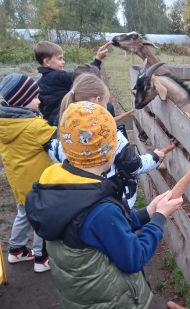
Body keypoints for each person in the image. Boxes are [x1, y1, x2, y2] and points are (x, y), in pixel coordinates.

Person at [25, 101, 182, 309]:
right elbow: (133, 257)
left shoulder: (59, 185)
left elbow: (102, 231)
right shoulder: (100, 208)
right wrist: (160, 220)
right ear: (110, 150)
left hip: (85, 306)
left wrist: (147, 212)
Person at [46, 73, 164, 208]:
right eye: (107, 102)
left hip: (79, 201)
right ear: (98, 100)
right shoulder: (111, 135)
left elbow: (52, 149)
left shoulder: (65, 132)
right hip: (114, 201)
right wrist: (155, 157)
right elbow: (133, 164)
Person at [0, 73, 56, 272]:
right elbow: (58, 138)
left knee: (23, 213)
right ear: (21, 102)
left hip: (19, 182)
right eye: (34, 98)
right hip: (38, 184)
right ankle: (41, 259)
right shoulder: (34, 126)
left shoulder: (5, 124)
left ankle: (16, 250)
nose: (39, 100)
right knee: (42, 218)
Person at [34, 40, 109, 126]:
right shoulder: (57, 76)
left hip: (51, 122)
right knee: (108, 107)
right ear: (47, 62)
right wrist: (97, 60)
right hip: (65, 119)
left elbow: (42, 107)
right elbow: (84, 77)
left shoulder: (40, 83)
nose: (63, 62)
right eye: (60, 58)